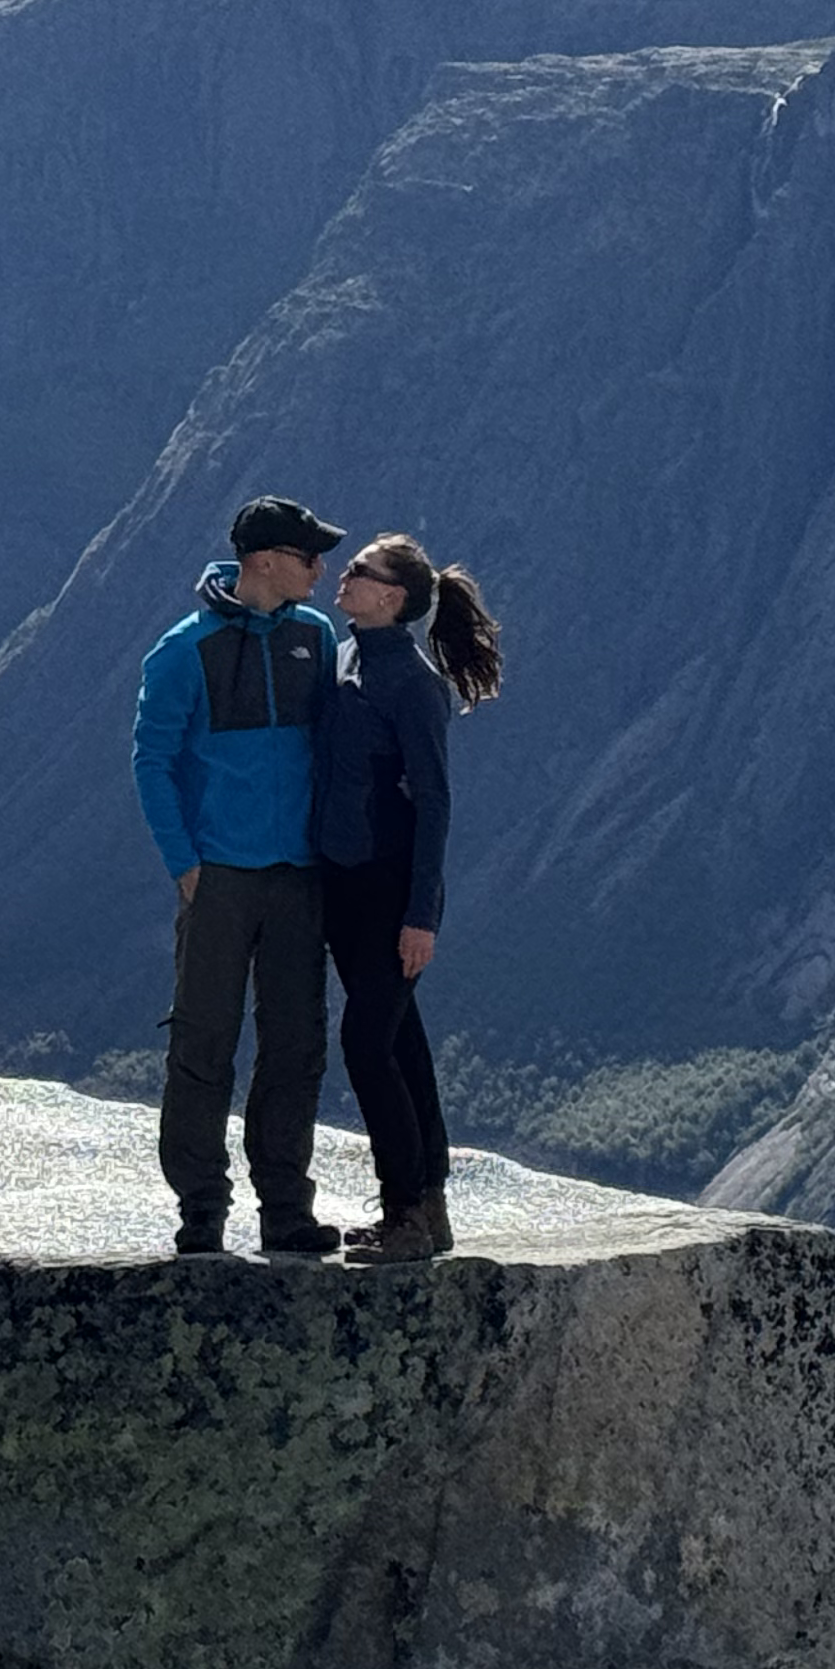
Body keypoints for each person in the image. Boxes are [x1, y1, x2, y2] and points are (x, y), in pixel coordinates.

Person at [132, 495, 347, 1259]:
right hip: (219, 878)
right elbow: (151, 761)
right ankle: (201, 1212)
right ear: (264, 561)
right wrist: (185, 866)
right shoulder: (182, 652)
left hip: (298, 877)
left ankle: (286, 1210)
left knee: (296, 1045)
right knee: (204, 1044)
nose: (322, 569)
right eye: (307, 555)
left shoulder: (315, 638)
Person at [311, 531, 503, 1266]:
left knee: (365, 1043)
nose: (346, 575)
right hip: (347, 885)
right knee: (400, 1042)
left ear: (392, 597)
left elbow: (434, 802)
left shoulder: (413, 685)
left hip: (391, 893)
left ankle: (405, 1210)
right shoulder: (349, 653)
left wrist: (421, 915)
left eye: (360, 570)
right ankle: (429, 1206)